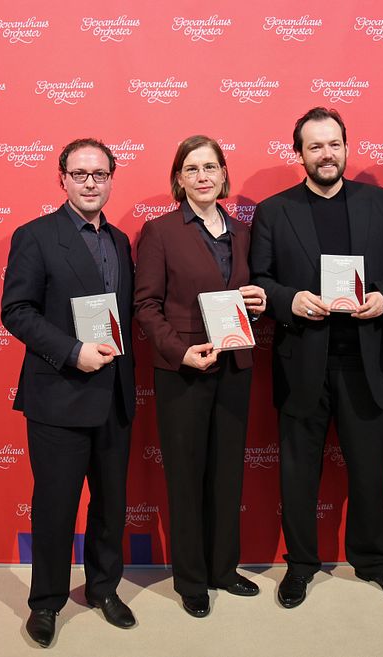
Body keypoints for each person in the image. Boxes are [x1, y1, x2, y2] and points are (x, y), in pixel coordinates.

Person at [249, 107, 383, 609]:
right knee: (298, 474)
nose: (327, 154)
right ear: (298, 153)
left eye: (334, 144)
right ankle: (300, 566)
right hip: (301, 357)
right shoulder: (274, 211)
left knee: (370, 471)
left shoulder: (380, 203)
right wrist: (289, 300)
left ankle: (373, 561)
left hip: (366, 361)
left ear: (347, 147)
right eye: (316, 146)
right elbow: (259, 279)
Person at [1, 138, 136, 647]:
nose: (90, 183)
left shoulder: (121, 241)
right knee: (55, 507)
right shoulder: (35, 236)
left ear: (110, 179)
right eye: (80, 174)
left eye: (99, 174)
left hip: (115, 396)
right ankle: (47, 602)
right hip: (59, 394)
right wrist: (72, 350)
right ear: (62, 179)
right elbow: (16, 310)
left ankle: (104, 588)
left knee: (111, 505)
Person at [134, 135, 266, 618]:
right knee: (187, 477)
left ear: (224, 175)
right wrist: (180, 351)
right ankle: (191, 578)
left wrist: (260, 301)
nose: (203, 176)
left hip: (235, 365)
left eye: (211, 166)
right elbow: (145, 305)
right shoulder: (161, 231)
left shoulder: (243, 233)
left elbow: (253, 294)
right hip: (184, 370)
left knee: (227, 473)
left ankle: (223, 568)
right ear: (179, 179)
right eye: (192, 169)